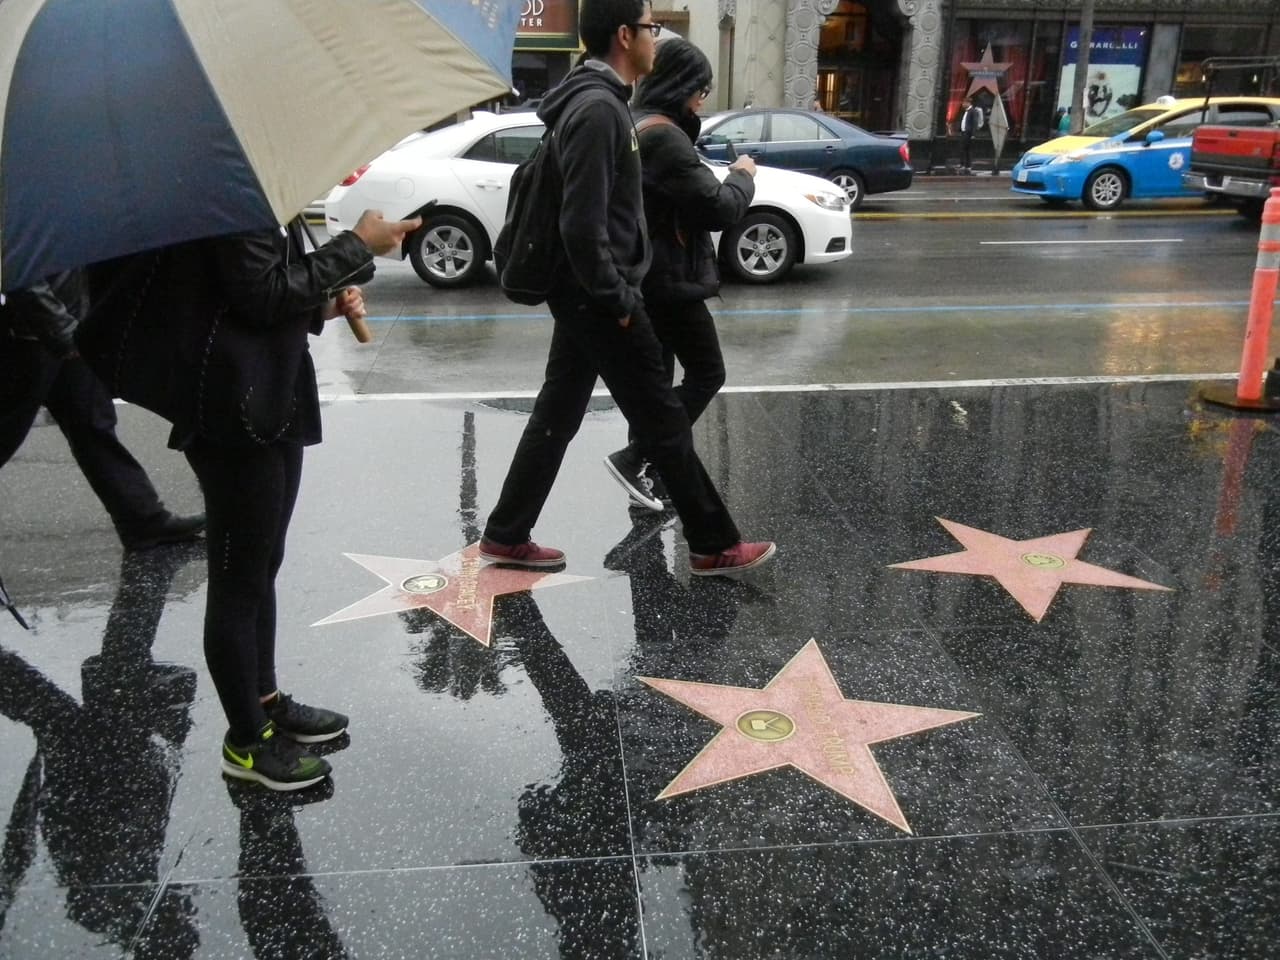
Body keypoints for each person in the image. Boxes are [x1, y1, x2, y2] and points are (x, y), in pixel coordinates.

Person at [478, 0, 775, 577]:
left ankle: (506, 533)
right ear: (623, 35)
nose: (654, 39)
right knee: (662, 418)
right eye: (649, 28)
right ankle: (712, 543)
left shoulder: (597, 102)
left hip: (583, 293)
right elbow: (581, 223)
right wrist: (617, 300)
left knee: (558, 411)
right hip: (599, 296)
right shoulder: (598, 110)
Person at [158, 210, 419, 791]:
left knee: (262, 564)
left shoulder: (265, 197)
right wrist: (357, 243)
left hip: (272, 392)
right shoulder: (224, 200)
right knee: (238, 580)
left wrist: (321, 309)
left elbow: (268, 290)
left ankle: (265, 701)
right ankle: (246, 741)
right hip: (231, 407)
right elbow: (259, 295)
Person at [604, 37, 755, 512]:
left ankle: (649, 473)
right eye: (700, 91)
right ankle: (636, 457)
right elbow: (719, 208)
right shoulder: (665, 137)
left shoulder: (636, 122)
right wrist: (743, 175)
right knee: (708, 371)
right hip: (669, 280)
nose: (701, 101)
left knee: (657, 384)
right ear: (682, 85)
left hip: (643, 276)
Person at [0, 270, 205, 551]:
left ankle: (143, 519)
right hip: (30, 335)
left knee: (93, 423)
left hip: (69, 325)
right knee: (8, 429)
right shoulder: (21, 237)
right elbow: (22, 273)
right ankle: (143, 520)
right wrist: (62, 331)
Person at [959, 97, 983, 171]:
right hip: (964, 132)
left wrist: (973, 134)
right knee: (963, 149)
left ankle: (967, 165)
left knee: (967, 149)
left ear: (968, 103)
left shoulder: (973, 111)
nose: (963, 104)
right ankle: (963, 164)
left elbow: (974, 123)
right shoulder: (966, 111)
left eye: (964, 103)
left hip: (968, 133)